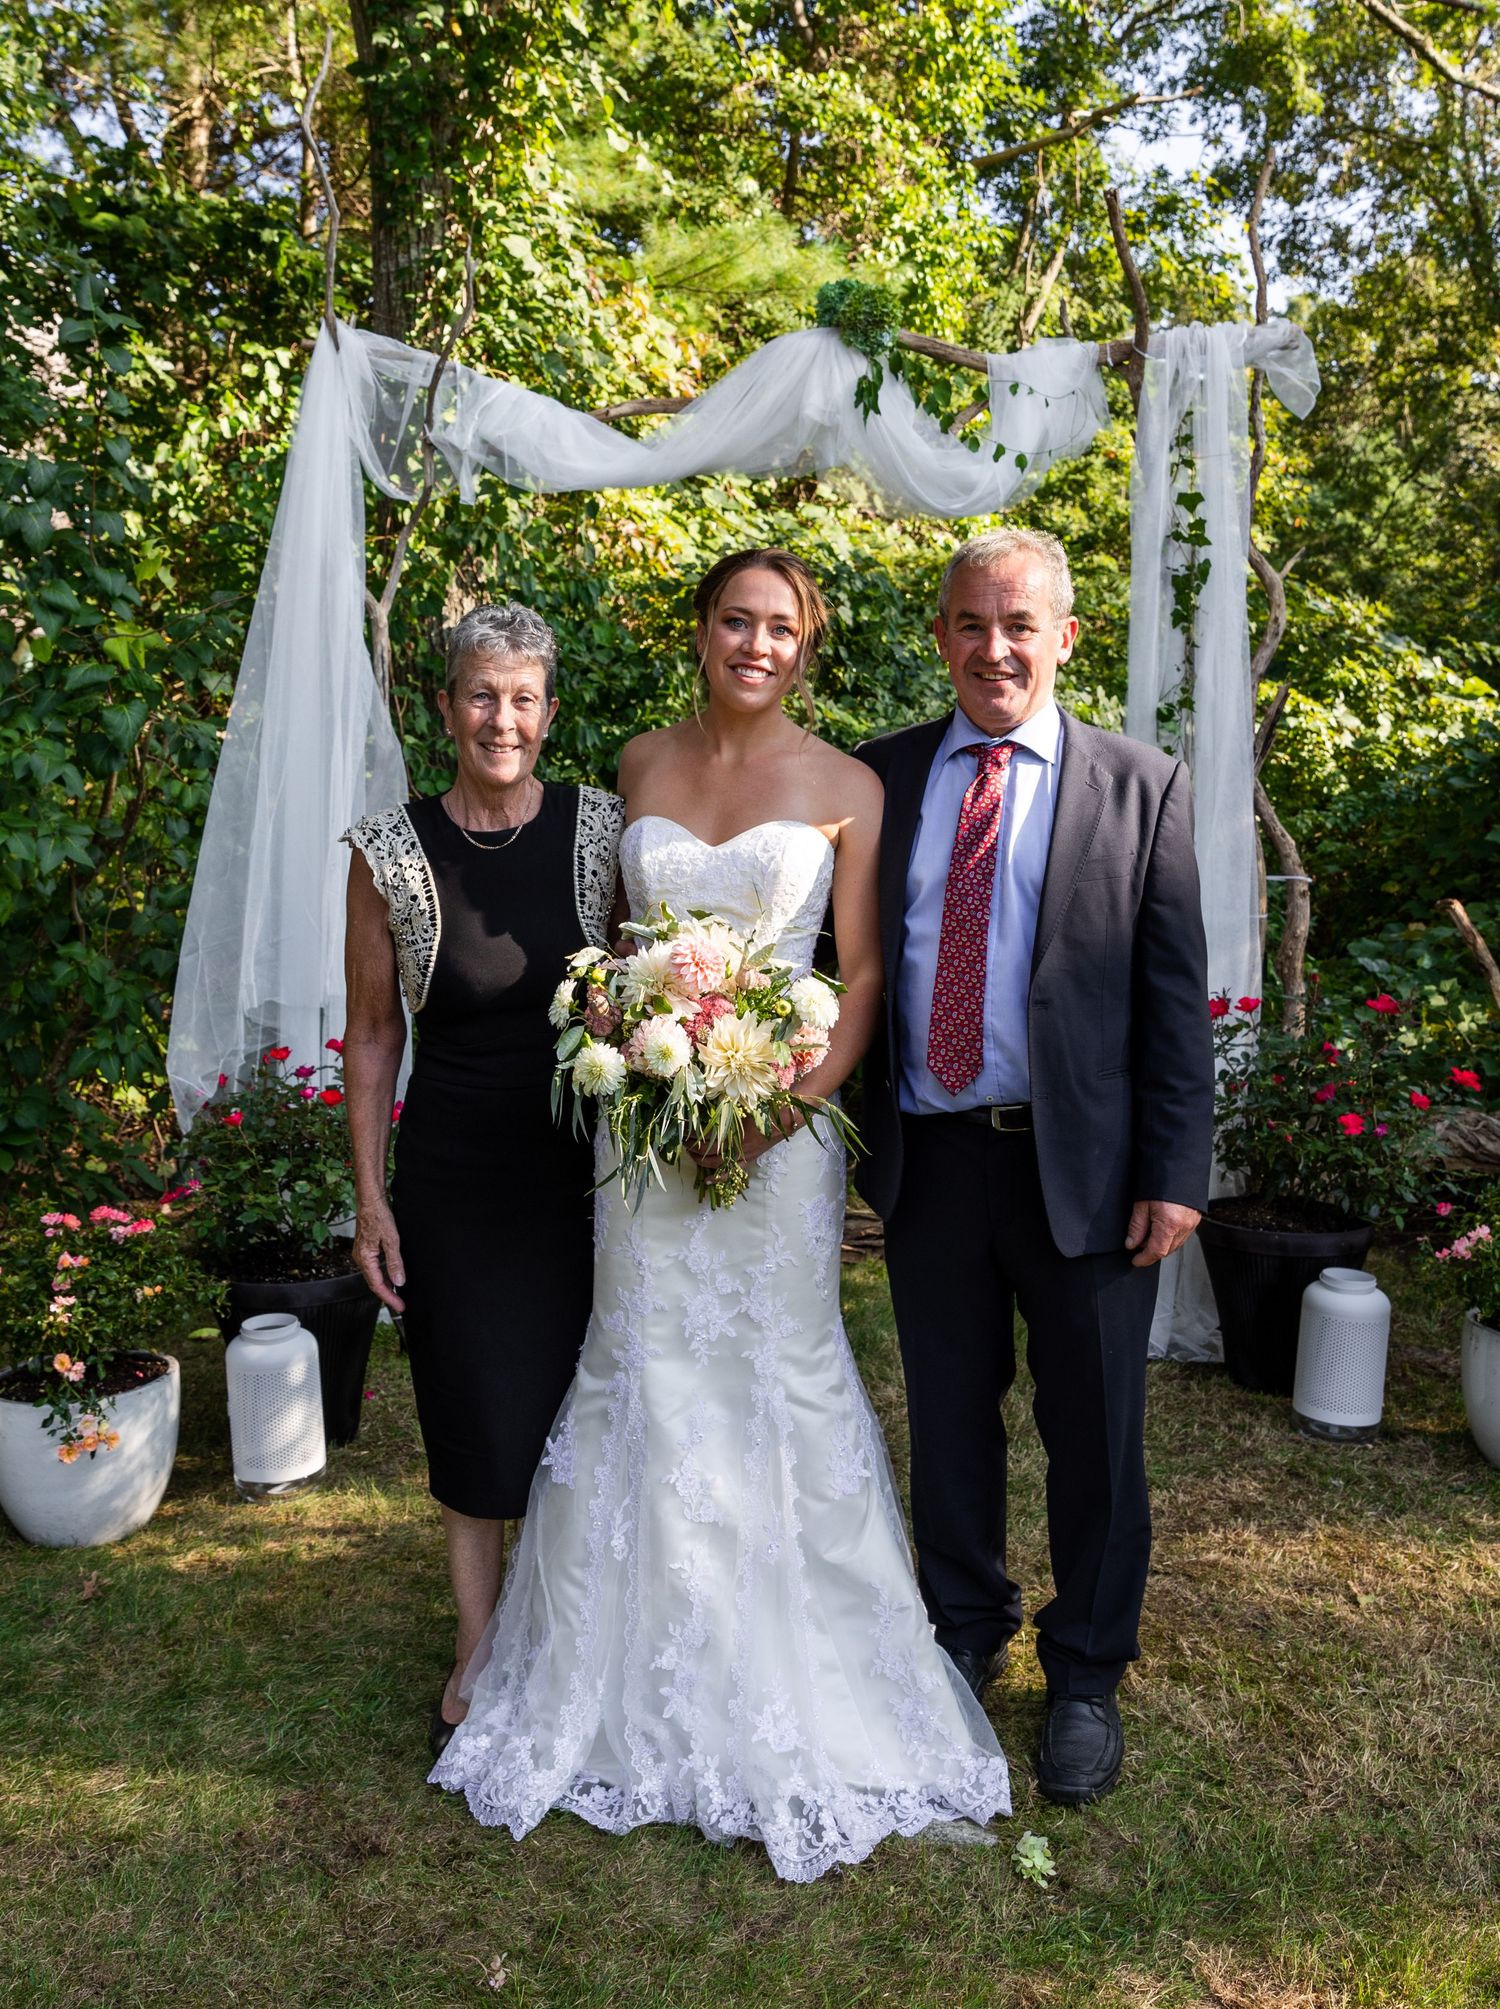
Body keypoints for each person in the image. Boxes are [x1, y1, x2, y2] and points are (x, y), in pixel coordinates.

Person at [429, 549, 1010, 1881]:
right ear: (700, 632)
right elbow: (616, 954)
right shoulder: (635, 767)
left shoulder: (851, 787)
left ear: (808, 646)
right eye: (735, 620)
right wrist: (640, 1056)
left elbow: (858, 976)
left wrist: (784, 1101)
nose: (756, 643)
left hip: (779, 1136)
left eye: (781, 627)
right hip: (645, 1144)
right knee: (641, 1367)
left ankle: (808, 1675)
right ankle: (607, 1671)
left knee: (781, 1374)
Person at [855, 528, 1214, 1807]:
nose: (992, 648)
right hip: (934, 1162)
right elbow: (846, 970)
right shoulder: (882, 777)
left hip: (1091, 1172)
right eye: (968, 623)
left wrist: (1176, 1166)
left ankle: (1085, 1670)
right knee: (949, 1418)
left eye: (1019, 625)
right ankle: (962, 1629)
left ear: (1065, 635)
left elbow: (1175, 1000)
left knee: (1095, 1435)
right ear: (940, 634)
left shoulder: (1141, 786)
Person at [342, 602, 624, 1759]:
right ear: (444, 706)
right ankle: (480, 1642)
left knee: (584, 1403)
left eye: (522, 698)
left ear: (550, 713)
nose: (500, 718)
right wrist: (370, 1194)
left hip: (588, 1172)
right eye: (479, 695)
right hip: (454, 1173)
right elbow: (369, 1035)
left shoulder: (602, 828)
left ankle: (576, 1633)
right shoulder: (386, 850)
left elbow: (638, 986)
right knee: (470, 1409)